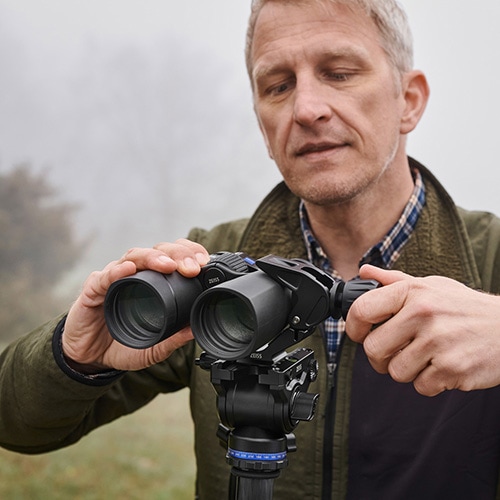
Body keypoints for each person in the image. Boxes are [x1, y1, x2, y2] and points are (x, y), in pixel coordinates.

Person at [1, 0, 500, 498]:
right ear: (262, 124)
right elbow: (16, 425)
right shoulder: (209, 265)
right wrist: (75, 358)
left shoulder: (491, 263)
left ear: (409, 100)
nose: (305, 109)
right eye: (278, 86)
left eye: (339, 73)